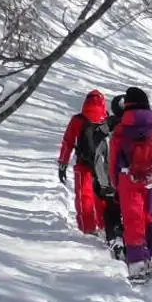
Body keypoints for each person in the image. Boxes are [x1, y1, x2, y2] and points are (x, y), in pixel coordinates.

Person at [109, 87, 152, 282]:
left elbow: (113, 161)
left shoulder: (121, 129)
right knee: (150, 218)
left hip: (127, 179)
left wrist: (115, 186)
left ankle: (137, 263)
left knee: (132, 220)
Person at [57, 90, 110, 235]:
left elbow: (68, 142)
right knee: (102, 197)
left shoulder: (78, 120)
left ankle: (87, 229)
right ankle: (106, 227)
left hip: (82, 164)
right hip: (103, 166)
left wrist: (63, 163)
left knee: (84, 197)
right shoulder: (107, 119)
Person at [94, 94, 126, 260]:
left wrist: (103, 182)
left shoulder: (106, 131)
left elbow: (99, 159)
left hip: (111, 182)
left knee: (111, 211)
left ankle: (113, 238)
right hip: (133, 180)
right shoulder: (138, 128)